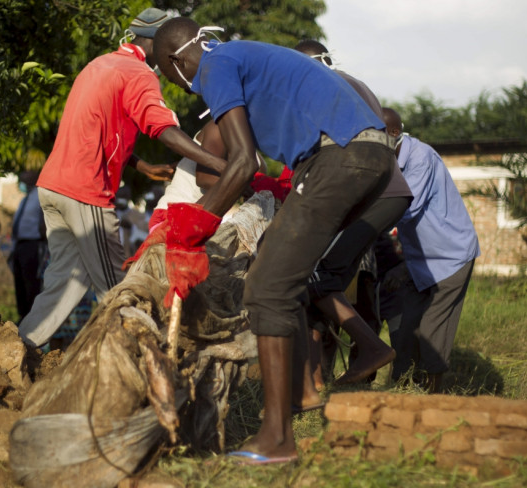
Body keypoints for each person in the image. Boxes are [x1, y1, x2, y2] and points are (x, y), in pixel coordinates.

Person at [153, 18, 396, 464]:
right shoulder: (240, 59)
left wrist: (196, 225)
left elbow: (242, 163)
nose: (176, 85)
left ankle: (277, 439)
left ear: (174, 60)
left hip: (341, 155)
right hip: (368, 155)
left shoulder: (214, 65)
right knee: (280, 273)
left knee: (264, 287)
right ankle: (298, 402)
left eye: (166, 74)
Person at [17, 8, 228, 347]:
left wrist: (140, 165)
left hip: (53, 187)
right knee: (121, 287)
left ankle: (18, 346)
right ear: (159, 45)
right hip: (84, 194)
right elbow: (164, 130)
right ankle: (139, 362)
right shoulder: (139, 74)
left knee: (63, 284)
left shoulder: (99, 65)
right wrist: (218, 164)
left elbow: (96, 130)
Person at [292, 40, 413, 391]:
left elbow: (312, 156)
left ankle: (372, 349)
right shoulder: (351, 83)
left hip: (373, 194)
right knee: (319, 288)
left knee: (317, 277)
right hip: (382, 193)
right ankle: (314, 386)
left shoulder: (321, 89)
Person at [381, 107, 481, 393]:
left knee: (431, 329)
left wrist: (365, 225)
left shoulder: (420, 157)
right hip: (421, 261)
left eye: (376, 135)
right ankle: (402, 390)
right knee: (406, 329)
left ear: (394, 134)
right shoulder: (390, 162)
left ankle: (434, 393)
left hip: (451, 257)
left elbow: (405, 208)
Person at [11, 170, 47, 322]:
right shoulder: (25, 198)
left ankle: (32, 319)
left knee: (31, 282)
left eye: (26, 174)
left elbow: (43, 221)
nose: (22, 178)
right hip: (20, 245)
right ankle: (22, 316)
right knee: (19, 283)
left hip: (33, 245)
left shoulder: (40, 195)